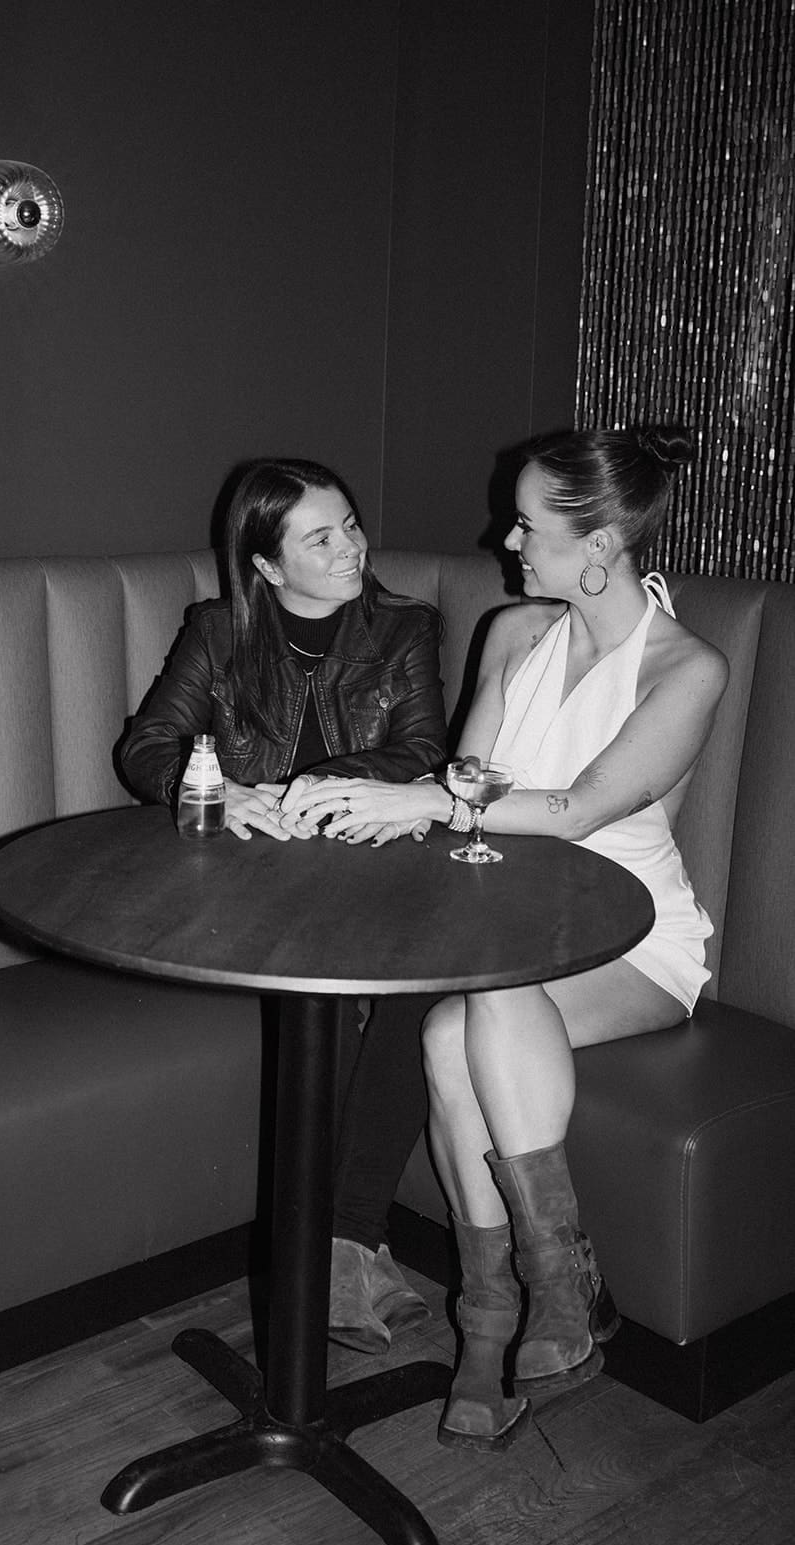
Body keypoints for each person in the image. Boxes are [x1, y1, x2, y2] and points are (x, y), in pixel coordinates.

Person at [288, 426, 728, 1452]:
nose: (508, 539)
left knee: (475, 1005)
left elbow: (577, 808)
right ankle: (519, 1309)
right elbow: (468, 787)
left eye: (528, 524)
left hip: (631, 938)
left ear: (599, 544)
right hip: (509, 929)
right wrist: (387, 807)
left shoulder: (687, 668)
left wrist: (423, 802)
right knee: (451, 1031)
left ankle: (525, 1311)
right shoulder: (514, 632)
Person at [120, 457, 449, 1353]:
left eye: (351, 524)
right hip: (253, 881)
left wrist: (318, 785)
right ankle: (346, 1247)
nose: (351, 548)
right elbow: (148, 747)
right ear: (265, 565)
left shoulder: (404, 627)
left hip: (371, 864)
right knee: (331, 990)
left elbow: (422, 749)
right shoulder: (217, 630)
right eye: (320, 538)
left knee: (417, 987)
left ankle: (343, 1241)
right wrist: (218, 790)